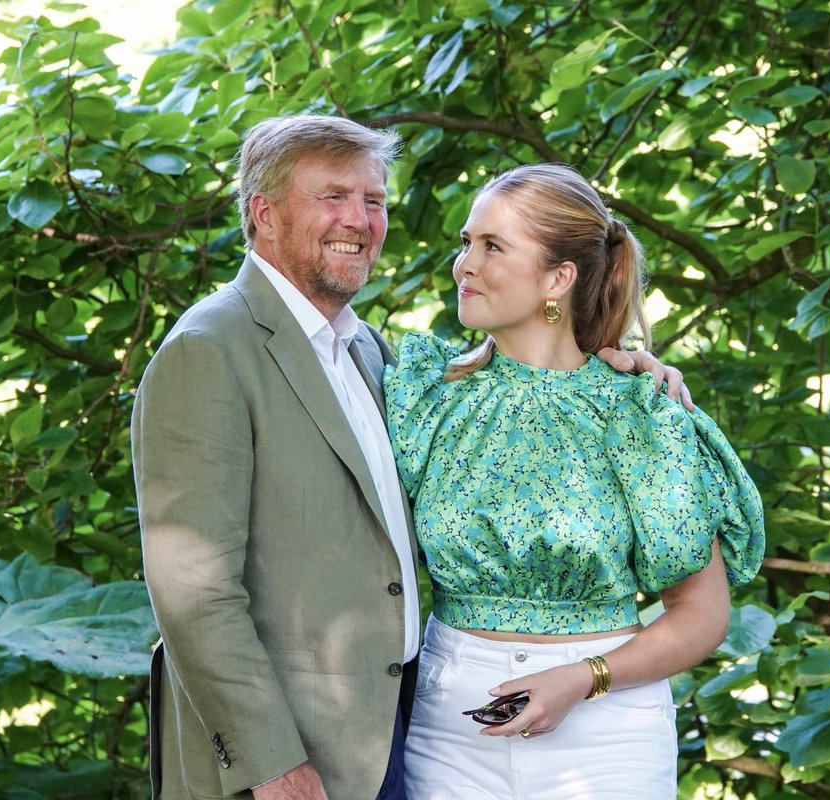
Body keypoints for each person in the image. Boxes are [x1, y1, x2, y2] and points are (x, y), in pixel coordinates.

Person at [132, 116, 691, 800]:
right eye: (333, 197)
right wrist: (270, 764)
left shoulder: (373, 354)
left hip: (401, 734)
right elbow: (195, 593)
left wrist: (619, 366)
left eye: (375, 201)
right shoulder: (210, 349)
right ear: (265, 214)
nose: (360, 221)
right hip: (288, 753)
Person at [384, 163, 766, 799]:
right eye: (465, 242)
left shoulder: (639, 413)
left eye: (493, 246)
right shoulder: (425, 396)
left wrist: (583, 677)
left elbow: (701, 615)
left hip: (609, 732)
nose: (464, 266)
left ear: (559, 277)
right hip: (453, 725)